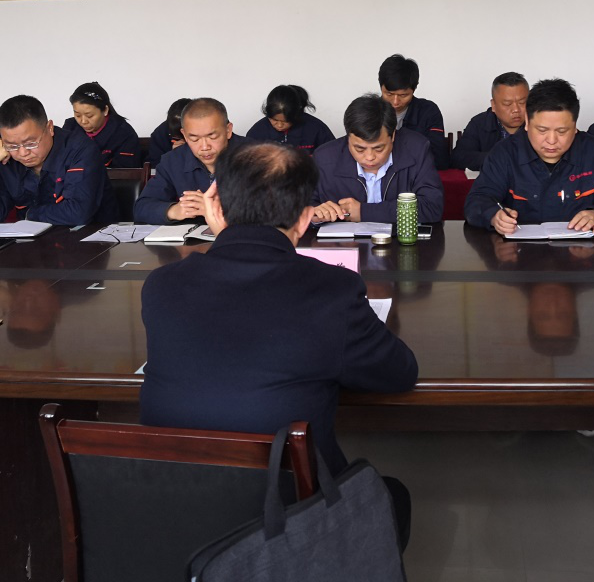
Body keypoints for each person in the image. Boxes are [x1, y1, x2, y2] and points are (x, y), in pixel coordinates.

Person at [139, 142, 417, 541]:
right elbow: (400, 373)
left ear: (217, 208)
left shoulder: (162, 285)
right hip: (291, 523)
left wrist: (224, 232)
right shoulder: (331, 289)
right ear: (304, 218)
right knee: (396, 495)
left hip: (176, 514)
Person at [463, 78, 594, 236]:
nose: (552, 141)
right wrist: (494, 216)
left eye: (562, 131)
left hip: (583, 254)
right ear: (527, 123)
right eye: (542, 130)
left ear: (575, 127)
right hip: (520, 254)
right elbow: (477, 200)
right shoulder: (504, 154)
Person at [0, 94, 116, 226]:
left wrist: (30, 214)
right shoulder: (5, 156)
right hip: (32, 244)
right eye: (12, 145)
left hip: (90, 240)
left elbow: (78, 213)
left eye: (31, 143)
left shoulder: (80, 150)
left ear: (49, 128)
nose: (23, 153)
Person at [312, 93, 444, 225]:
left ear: (393, 136)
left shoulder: (416, 149)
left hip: (400, 238)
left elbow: (432, 207)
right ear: (348, 139)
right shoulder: (325, 158)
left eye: (379, 148)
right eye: (359, 149)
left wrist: (364, 212)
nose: (370, 157)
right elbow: (305, 207)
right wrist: (313, 215)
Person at [134, 98, 246, 224]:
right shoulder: (172, 161)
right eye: (194, 139)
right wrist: (174, 210)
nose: (205, 147)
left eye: (212, 137)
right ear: (184, 135)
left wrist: (216, 208)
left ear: (228, 130)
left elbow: (265, 210)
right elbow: (142, 208)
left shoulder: (257, 158)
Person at [378, 53, 451, 170]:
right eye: (389, 94)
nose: (395, 102)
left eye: (403, 95)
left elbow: (439, 158)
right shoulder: (367, 111)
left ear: (414, 89)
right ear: (381, 86)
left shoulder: (428, 111)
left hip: (417, 175)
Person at [451, 72, 528, 172]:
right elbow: (460, 157)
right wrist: (500, 158)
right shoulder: (479, 123)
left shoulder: (540, 123)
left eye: (522, 102)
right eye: (507, 104)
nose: (516, 109)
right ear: (493, 105)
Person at [61, 81, 142, 169]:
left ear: (105, 110)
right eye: (78, 115)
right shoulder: (70, 128)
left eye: (89, 115)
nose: (83, 121)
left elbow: (125, 172)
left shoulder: (124, 133)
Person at [245, 84, 334, 153]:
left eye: (286, 121)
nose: (279, 125)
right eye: (274, 120)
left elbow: (332, 156)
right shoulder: (256, 132)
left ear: (297, 115)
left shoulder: (317, 128)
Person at [145, 97, 190, 170]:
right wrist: (173, 155)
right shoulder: (161, 133)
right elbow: (155, 165)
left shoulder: (204, 130)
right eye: (176, 137)